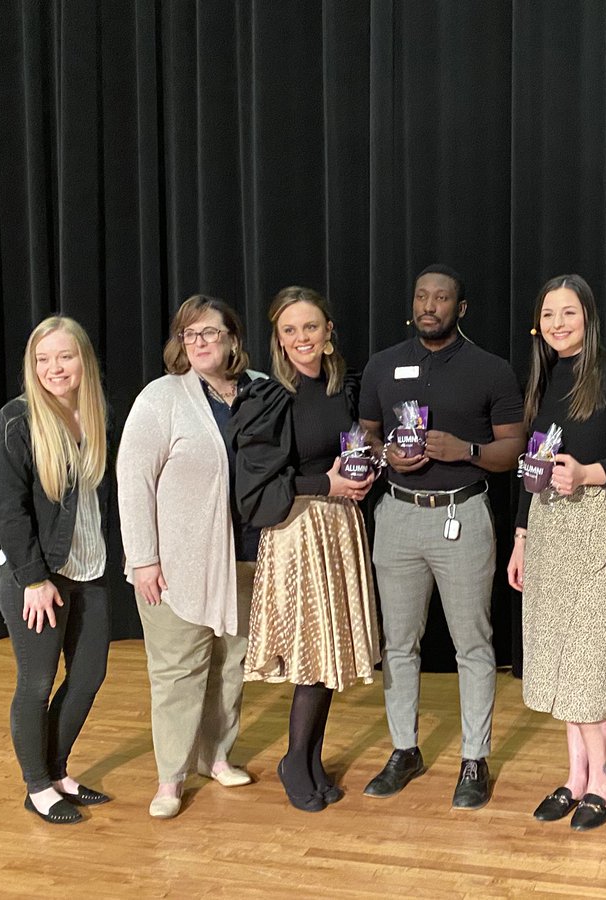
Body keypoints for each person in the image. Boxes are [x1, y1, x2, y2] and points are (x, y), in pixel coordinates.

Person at [359, 264, 524, 809]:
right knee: (398, 643)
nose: (429, 306)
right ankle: (404, 749)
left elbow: (514, 449)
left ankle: (474, 758)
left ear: (461, 307)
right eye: (422, 296)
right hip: (397, 516)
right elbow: (366, 433)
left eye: (442, 298)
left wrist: (467, 450)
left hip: (463, 515)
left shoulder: (491, 369)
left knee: (472, 644)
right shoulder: (383, 364)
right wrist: (383, 453)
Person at [506, 274, 606, 831]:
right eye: (548, 314)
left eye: (568, 312)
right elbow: (533, 467)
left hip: (602, 525)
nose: (558, 324)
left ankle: (603, 783)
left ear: (589, 317)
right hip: (549, 527)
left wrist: (589, 473)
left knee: (590, 659)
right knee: (560, 657)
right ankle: (576, 777)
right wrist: (521, 538)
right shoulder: (545, 379)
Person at [118, 295, 272, 818]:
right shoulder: (161, 397)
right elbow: (133, 481)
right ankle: (170, 778)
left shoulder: (262, 389)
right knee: (178, 672)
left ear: (232, 337)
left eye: (210, 332)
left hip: (249, 557)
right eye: (189, 334)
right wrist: (143, 558)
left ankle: (216, 756)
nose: (199, 342)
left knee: (230, 665)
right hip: (176, 565)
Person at [230, 286, 381, 813]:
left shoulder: (345, 389)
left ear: (328, 332)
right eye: (290, 330)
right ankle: (295, 760)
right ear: (278, 338)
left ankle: (312, 759)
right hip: (298, 531)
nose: (301, 338)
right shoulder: (269, 398)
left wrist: (363, 475)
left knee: (331, 651)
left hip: (341, 526)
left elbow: (355, 451)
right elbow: (254, 488)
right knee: (313, 655)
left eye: (310, 327)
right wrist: (326, 485)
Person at [0, 316, 112, 825]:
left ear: (83, 359)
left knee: (87, 677)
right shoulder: (15, 422)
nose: (54, 368)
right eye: (42, 359)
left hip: (89, 568)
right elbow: (7, 512)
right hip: (35, 576)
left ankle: (58, 772)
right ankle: (37, 786)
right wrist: (34, 579)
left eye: (64, 356)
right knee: (37, 682)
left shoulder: (96, 415)